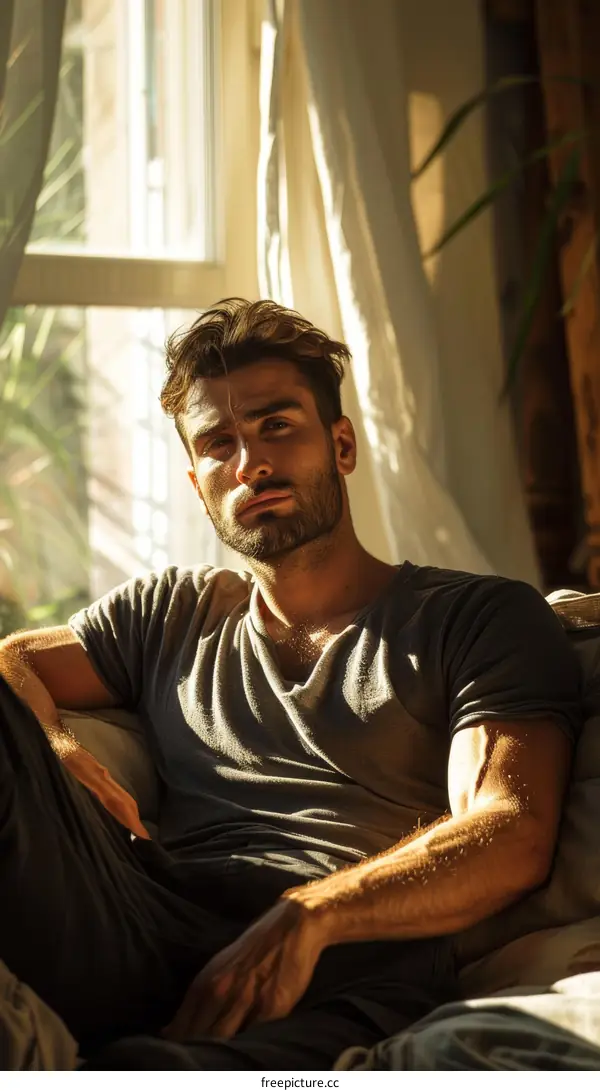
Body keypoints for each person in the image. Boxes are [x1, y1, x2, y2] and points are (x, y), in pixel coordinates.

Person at [0, 298, 581, 1071]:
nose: (250, 463)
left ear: (341, 444)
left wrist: (311, 912)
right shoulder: (172, 610)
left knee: (150, 1073)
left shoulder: (475, 614)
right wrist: (60, 744)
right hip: (147, 919)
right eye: (218, 443)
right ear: (197, 481)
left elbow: (511, 830)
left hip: (350, 963)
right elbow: (15, 659)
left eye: (277, 425)